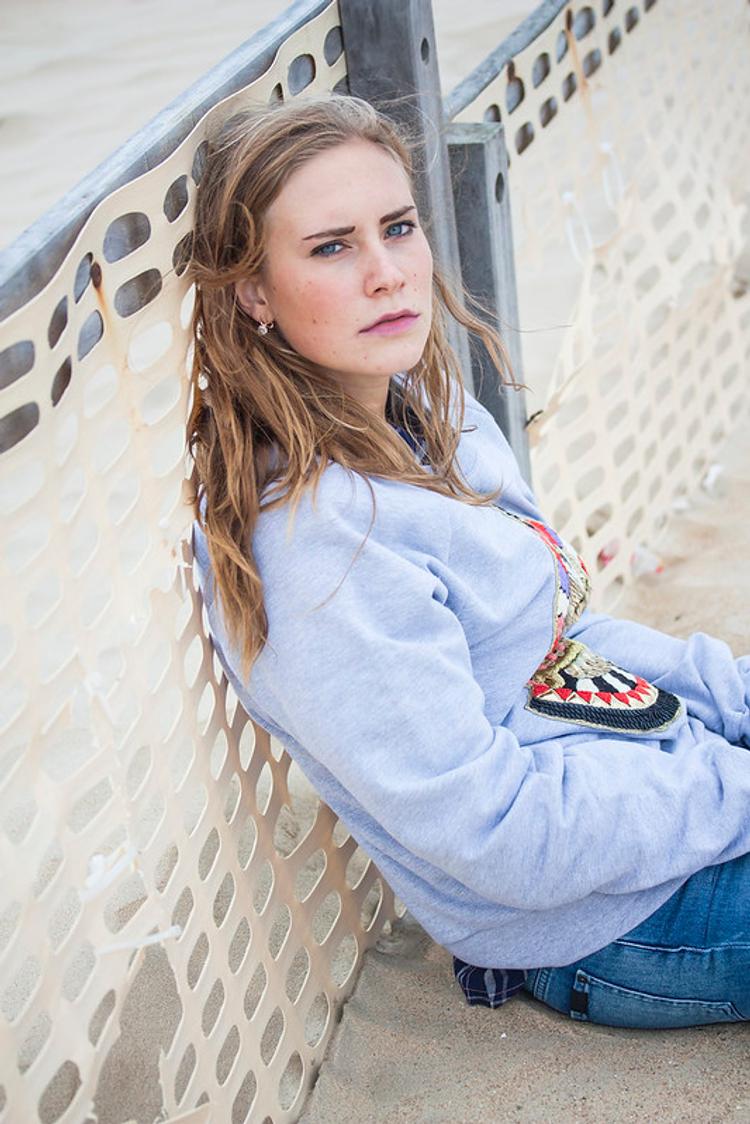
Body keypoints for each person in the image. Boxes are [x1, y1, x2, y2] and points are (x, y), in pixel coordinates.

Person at [187, 93, 750, 1029]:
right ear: (253, 291)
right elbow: (499, 835)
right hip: (608, 922)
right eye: (331, 247)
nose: (387, 275)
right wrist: (734, 790)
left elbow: (558, 640)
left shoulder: (424, 410)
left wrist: (732, 702)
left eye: (397, 228)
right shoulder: (320, 551)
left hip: (655, 793)